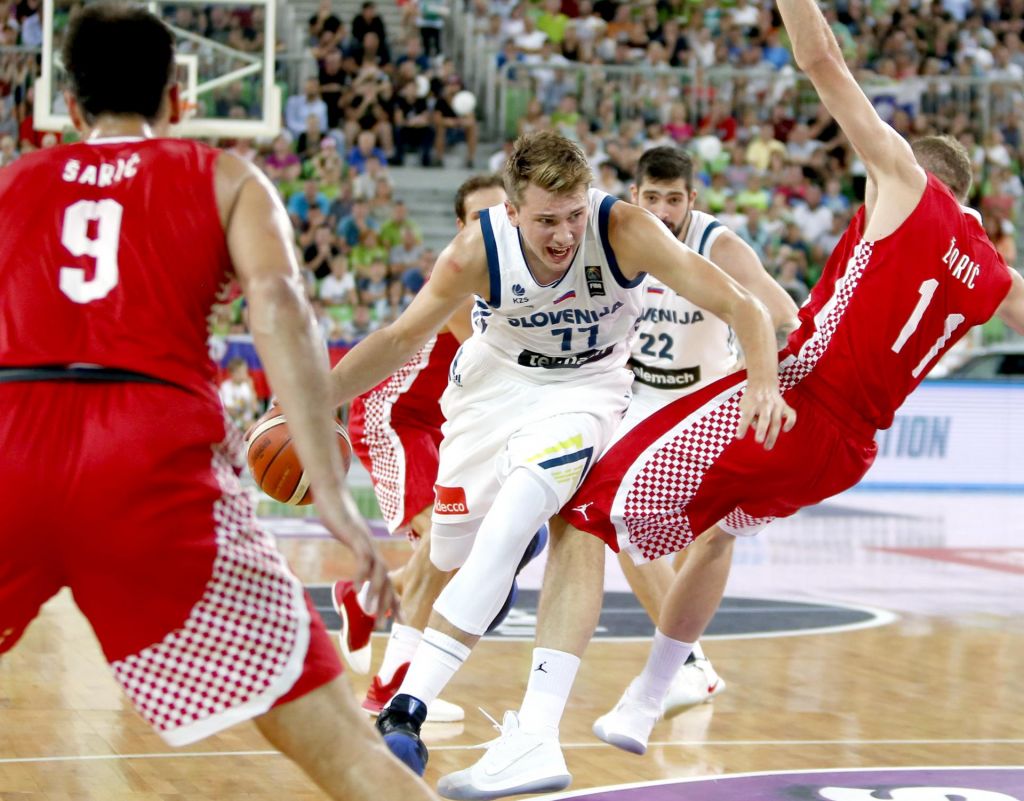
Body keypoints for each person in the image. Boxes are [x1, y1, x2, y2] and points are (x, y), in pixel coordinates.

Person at [559, 0, 1024, 768]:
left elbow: (823, 65)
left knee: (582, 505)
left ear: (910, 170)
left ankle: (525, 718)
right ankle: (649, 694)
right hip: (846, 452)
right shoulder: (994, 274)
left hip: (799, 394)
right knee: (715, 538)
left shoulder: (905, 182)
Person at [0, 7, 438, 801]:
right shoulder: (226, 176)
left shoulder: (9, 183)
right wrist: (334, 500)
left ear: (67, 107)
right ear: (177, 98)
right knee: (344, 751)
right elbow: (281, 306)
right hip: (149, 457)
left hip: (11, 442)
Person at [327, 130, 793, 790]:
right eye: (547, 220)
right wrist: (306, 399)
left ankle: (407, 708)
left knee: (521, 513)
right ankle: (413, 684)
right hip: (492, 390)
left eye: (574, 215)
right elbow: (402, 335)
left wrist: (764, 382)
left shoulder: (624, 229)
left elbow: (742, 304)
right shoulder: (475, 251)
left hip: (586, 391)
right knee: (450, 551)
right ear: (513, 210)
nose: (564, 235)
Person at [332, 175, 547, 723]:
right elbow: (502, 362)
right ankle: (392, 688)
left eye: (501, 214)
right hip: (397, 417)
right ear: (460, 228)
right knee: (444, 544)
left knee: (461, 553)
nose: (492, 226)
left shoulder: (528, 273)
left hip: (451, 425)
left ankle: (366, 604)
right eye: (479, 218)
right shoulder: (461, 273)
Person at [614, 146, 799, 716]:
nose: (663, 211)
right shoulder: (619, 234)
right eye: (652, 199)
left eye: (674, 200)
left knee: (698, 540)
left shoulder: (719, 247)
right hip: (636, 400)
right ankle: (690, 662)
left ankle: (685, 661)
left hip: (702, 402)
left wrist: (763, 383)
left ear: (692, 200)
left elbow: (786, 317)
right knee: (622, 528)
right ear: (635, 196)